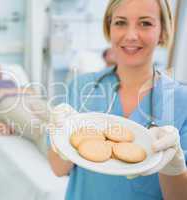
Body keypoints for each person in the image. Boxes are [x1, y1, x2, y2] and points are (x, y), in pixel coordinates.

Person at [48, 0, 187, 199]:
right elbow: (58, 169)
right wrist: (59, 140)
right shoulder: (80, 87)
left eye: (145, 23)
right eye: (120, 22)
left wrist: (174, 166)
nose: (131, 35)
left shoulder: (181, 101)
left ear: (163, 32)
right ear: (109, 28)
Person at [0, 56, 50, 155]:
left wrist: (3, 91)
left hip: (29, 99)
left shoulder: (11, 82)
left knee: (59, 118)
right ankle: (61, 163)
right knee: (39, 128)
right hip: (8, 104)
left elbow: (32, 92)